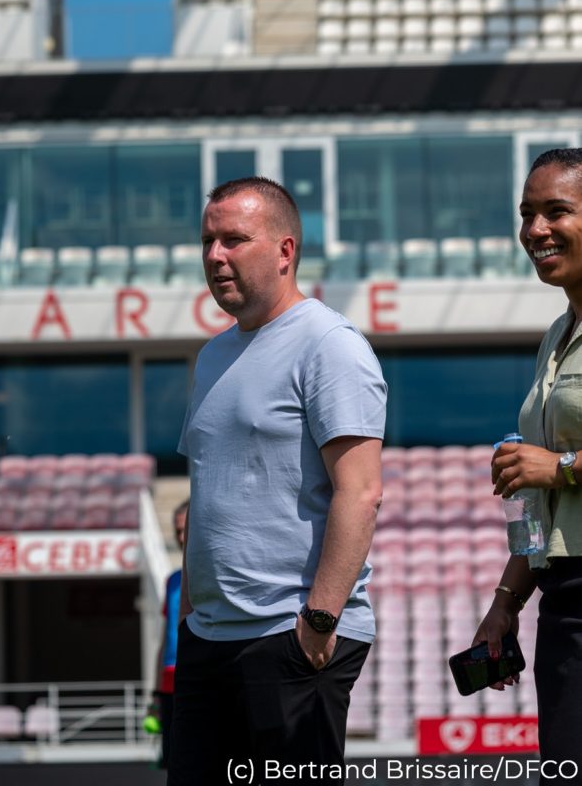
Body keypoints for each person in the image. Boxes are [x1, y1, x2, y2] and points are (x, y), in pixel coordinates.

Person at [168, 176, 386, 785]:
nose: (215, 256)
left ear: (286, 250)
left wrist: (318, 624)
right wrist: (189, 616)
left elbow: (360, 491)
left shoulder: (329, 344)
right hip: (209, 639)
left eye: (234, 240)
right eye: (207, 241)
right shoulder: (213, 356)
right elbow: (207, 491)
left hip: (289, 637)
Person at [474, 147, 582, 777]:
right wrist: (507, 601)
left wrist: (562, 466)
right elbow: (542, 496)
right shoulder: (555, 337)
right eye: (526, 214)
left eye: (556, 211)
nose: (535, 230)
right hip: (564, 597)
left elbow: (555, 472)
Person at [148, 498, 189, 769]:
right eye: (177, 531)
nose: (181, 537)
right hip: (168, 681)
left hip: (197, 674)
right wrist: (154, 692)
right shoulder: (172, 580)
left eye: (186, 529)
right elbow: (164, 638)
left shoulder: (213, 575)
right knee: (171, 761)